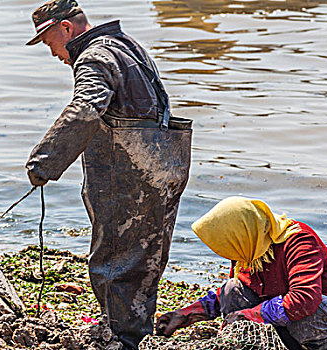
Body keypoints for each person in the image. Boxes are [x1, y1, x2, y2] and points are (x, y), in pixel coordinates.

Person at [24, 1, 192, 348]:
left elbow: (86, 109)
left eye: (48, 41)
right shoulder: (126, 45)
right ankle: (132, 329)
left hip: (129, 170)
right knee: (146, 255)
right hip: (165, 163)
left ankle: (123, 338)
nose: (52, 52)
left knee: (114, 257)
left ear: (66, 28)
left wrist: (44, 162)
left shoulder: (93, 57)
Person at [156, 196, 327, 350]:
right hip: (291, 326)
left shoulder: (298, 240)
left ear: (243, 232)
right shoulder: (249, 248)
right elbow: (231, 295)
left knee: (309, 310)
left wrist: (252, 315)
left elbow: (304, 300)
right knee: (233, 289)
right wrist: (185, 315)